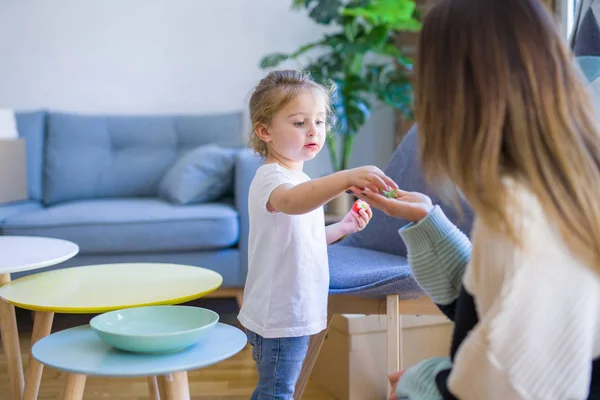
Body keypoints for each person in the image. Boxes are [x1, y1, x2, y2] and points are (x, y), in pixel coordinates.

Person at [352, 0, 600, 398]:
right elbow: (502, 303)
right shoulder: (554, 187)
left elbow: (505, 385)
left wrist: (425, 383)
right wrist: (427, 223)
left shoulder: (524, 216)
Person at [237, 69, 397, 399]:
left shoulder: (297, 180)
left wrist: (344, 227)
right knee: (276, 392)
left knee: (278, 389)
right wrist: (344, 177)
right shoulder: (272, 178)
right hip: (281, 312)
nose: (313, 130)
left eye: (320, 121)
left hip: (293, 308)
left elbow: (300, 240)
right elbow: (292, 204)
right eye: (299, 122)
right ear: (265, 130)